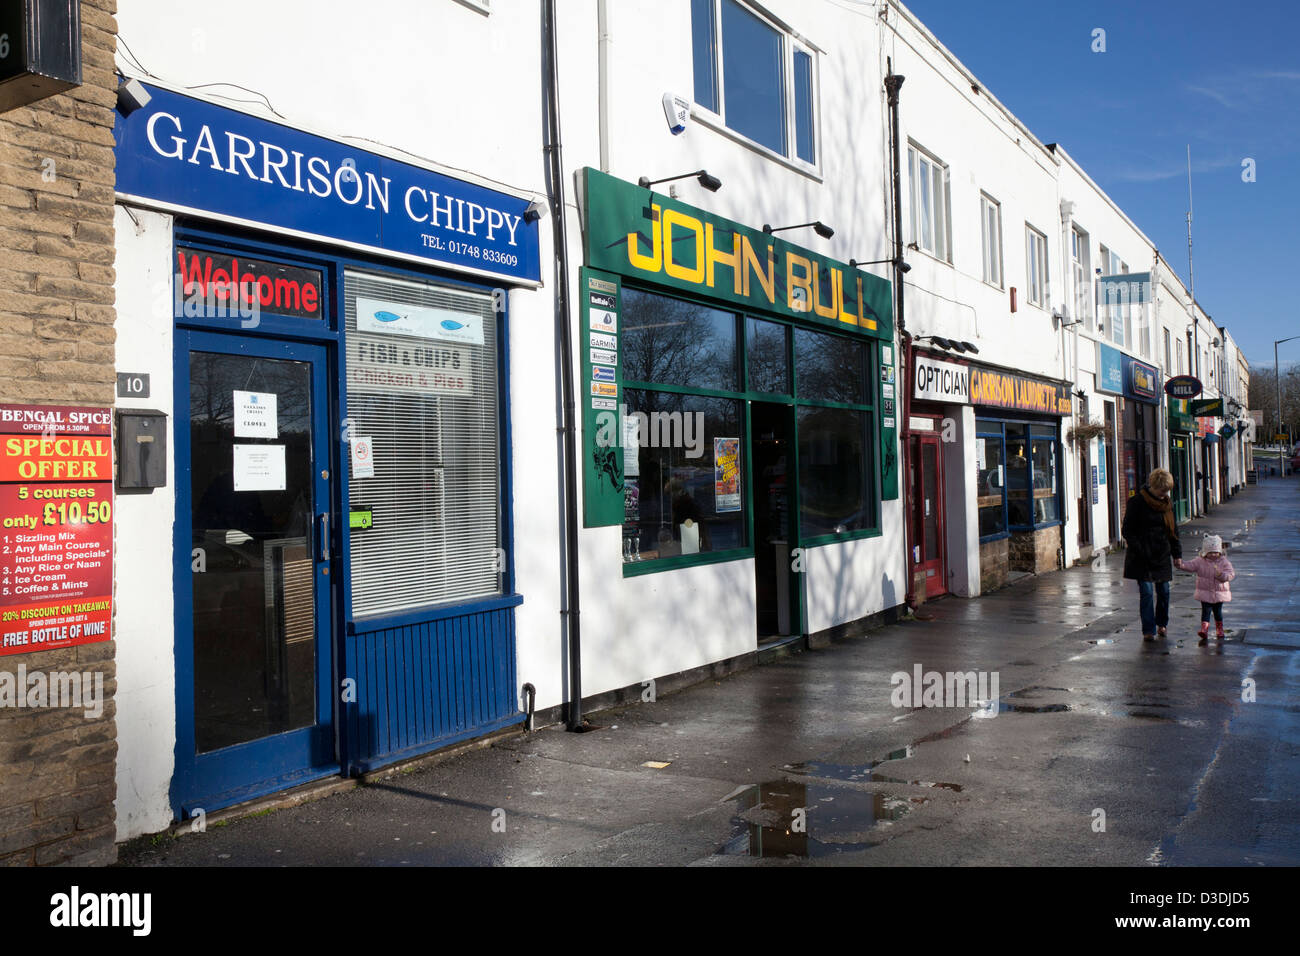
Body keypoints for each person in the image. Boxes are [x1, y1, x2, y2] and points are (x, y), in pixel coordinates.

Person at [1121, 467, 1182, 642]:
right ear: (1153, 487)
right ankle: (1148, 630)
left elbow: (1173, 531)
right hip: (1142, 556)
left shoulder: (1167, 504)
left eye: (1167, 491)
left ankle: (1162, 623)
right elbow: (1127, 530)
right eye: (1162, 490)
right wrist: (1140, 548)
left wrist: (1177, 554)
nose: (1164, 494)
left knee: (1164, 591)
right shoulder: (1137, 502)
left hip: (1162, 554)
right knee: (1147, 592)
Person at [1175, 534, 1235, 644]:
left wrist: (1221, 575)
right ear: (1205, 552)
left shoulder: (1224, 561)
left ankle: (1219, 629)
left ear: (1220, 552)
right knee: (1206, 611)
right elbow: (1190, 565)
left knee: (1218, 612)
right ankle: (1204, 629)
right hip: (1205, 592)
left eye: (1216, 552)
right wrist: (1181, 565)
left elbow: (1230, 574)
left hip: (1219, 592)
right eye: (1211, 552)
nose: (1213, 555)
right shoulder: (1200, 561)